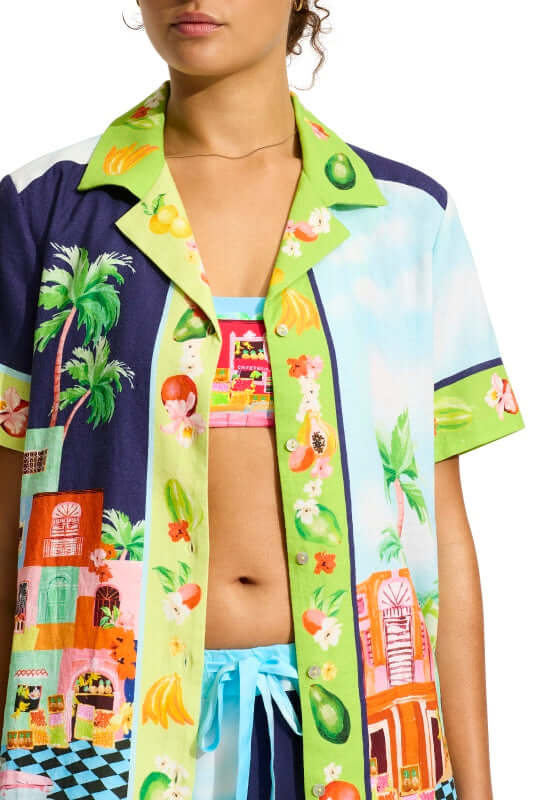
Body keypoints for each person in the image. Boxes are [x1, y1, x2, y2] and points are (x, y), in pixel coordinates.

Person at [0, 2, 526, 799]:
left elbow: (441, 532)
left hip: (354, 739)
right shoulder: (46, 210)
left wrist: (480, 787)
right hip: (104, 744)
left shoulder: (406, 219)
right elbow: (9, 507)